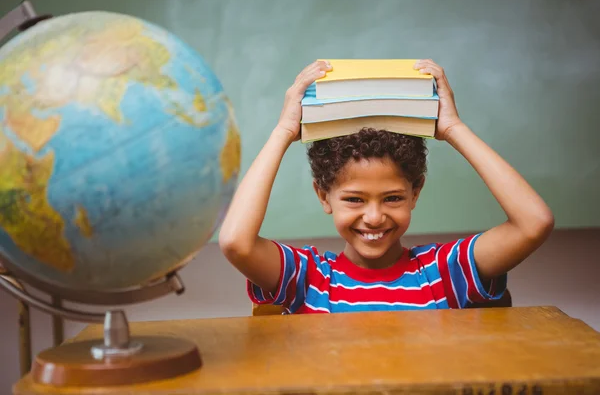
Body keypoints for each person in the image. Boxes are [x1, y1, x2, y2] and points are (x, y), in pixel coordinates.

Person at [219, 59, 554, 314]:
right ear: (324, 196)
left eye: (392, 198)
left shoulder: (445, 271)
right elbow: (236, 242)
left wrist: (453, 127)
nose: (375, 217)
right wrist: (284, 130)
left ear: (416, 192)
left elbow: (533, 223)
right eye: (354, 199)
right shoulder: (308, 278)